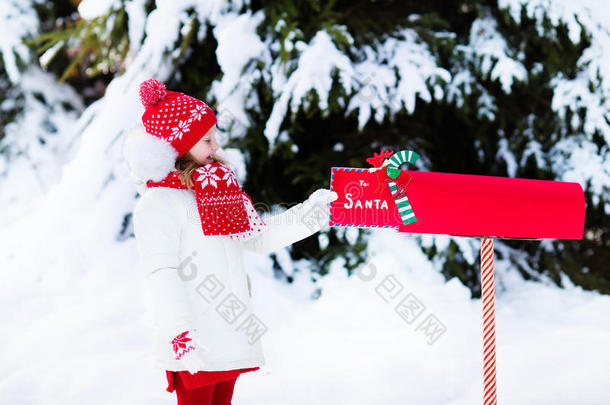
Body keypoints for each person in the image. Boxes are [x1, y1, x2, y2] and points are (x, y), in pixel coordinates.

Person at [122, 78, 337, 405]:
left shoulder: (218, 190)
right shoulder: (158, 203)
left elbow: (259, 238)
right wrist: (179, 334)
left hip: (228, 335)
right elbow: (161, 272)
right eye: (207, 139)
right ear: (180, 146)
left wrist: (313, 213)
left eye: (215, 137)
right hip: (193, 341)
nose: (216, 146)